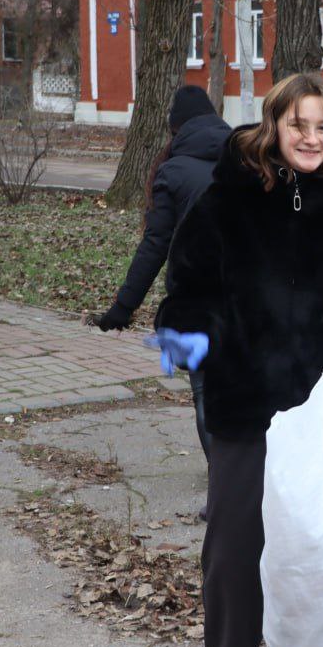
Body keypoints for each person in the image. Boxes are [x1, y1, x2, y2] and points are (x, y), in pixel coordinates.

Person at [153, 72, 323, 647]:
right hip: (248, 410)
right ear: (273, 126)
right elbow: (190, 291)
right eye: (299, 124)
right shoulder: (224, 207)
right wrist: (187, 333)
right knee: (234, 556)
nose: (313, 137)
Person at [91, 84, 231, 462]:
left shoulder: (172, 170)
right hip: (249, 292)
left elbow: (154, 245)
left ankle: (222, 480)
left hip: (197, 296)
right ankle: (247, 479)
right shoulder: (244, 158)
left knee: (204, 389)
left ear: (177, 129)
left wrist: (123, 305)